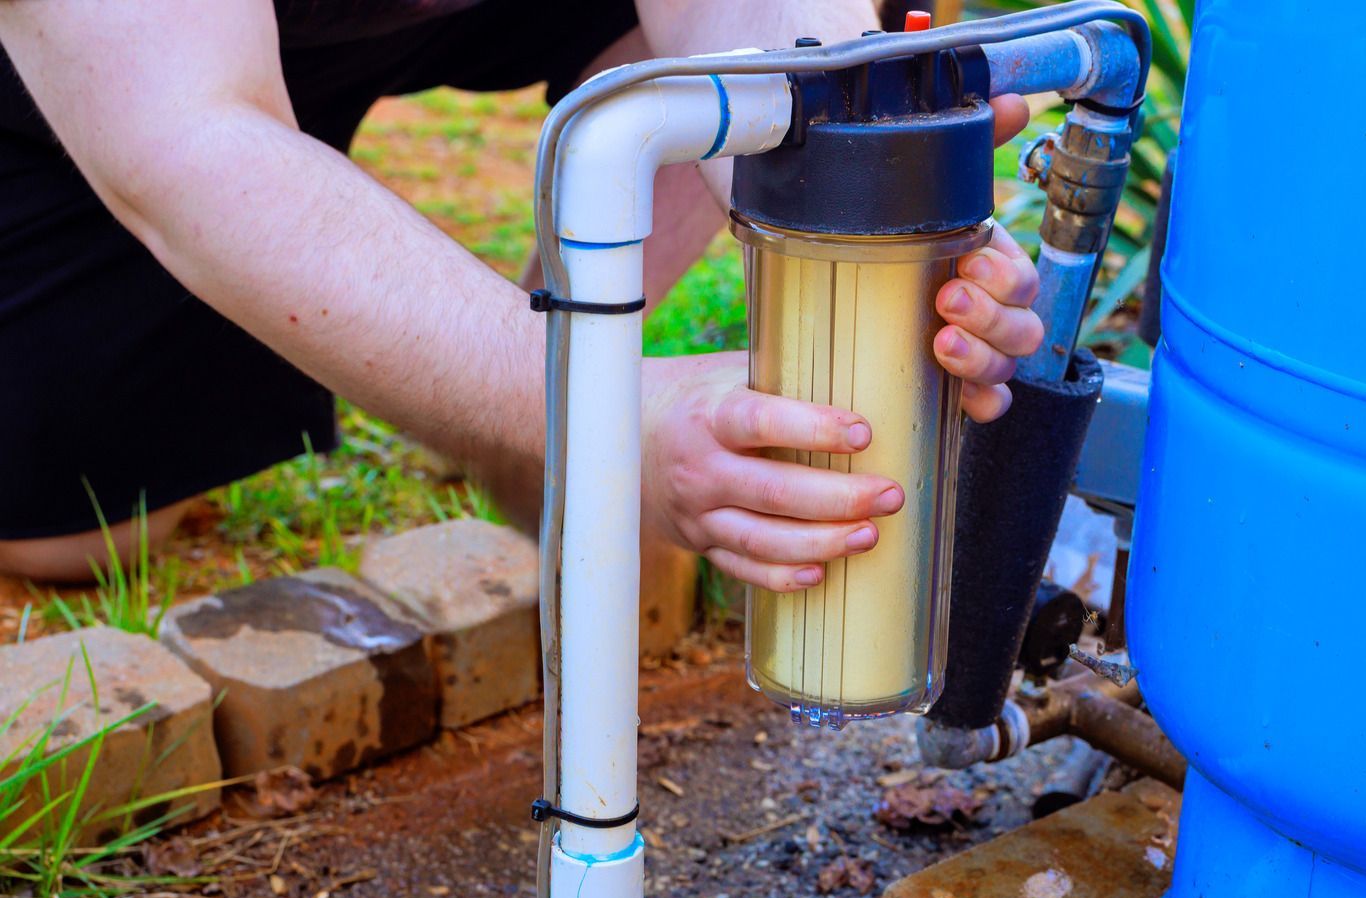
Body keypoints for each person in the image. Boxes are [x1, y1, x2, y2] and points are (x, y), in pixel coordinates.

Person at [0, 0, 1043, 593]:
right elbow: (188, 138)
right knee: (74, 537)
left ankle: (528, 399)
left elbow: (749, 16)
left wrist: (863, 212)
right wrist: (598, 409)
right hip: (129, 55)